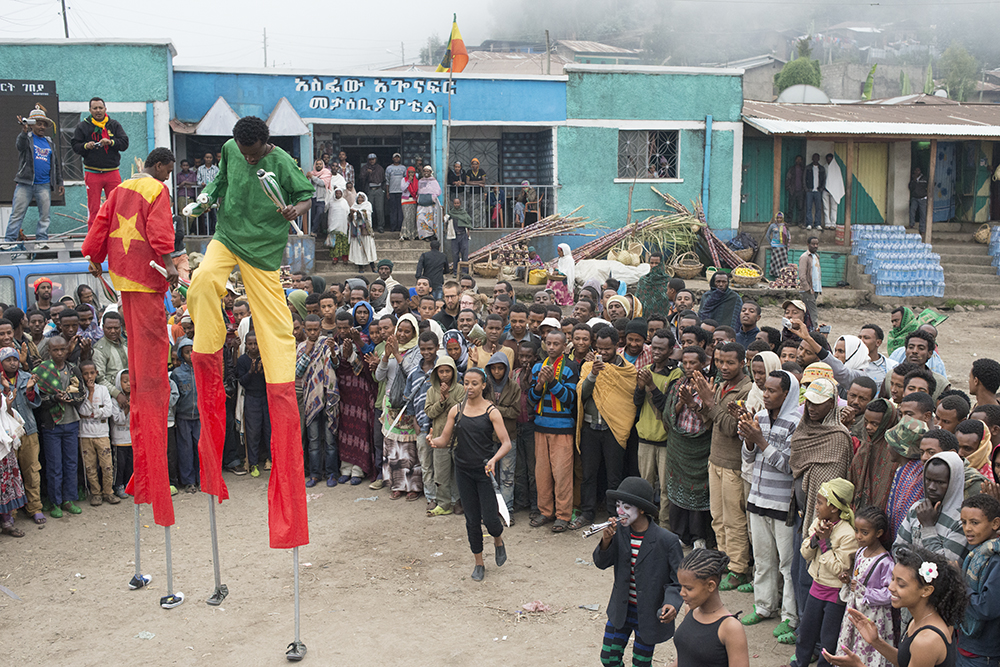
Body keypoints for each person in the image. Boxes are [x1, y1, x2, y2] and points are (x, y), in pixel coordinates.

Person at [183, 116, 312, 548]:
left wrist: (297, 210)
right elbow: (218, 183)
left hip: (262, 249)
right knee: (201, 284)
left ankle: (281, 373)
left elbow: (306, 195)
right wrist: (203, 200)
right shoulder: (229, 151)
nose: (249, 158)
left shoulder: (283, 162)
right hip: (226, 235)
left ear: (266, 146)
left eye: (254, 153)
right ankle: (209, 344)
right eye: (244, 152)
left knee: (274, 321)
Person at [82, 147, 180, 525]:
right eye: (168, 171)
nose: (168, 177)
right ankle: (153, 444)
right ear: (158, 166)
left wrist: (93, 256)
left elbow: (100, 222)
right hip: (147, 276)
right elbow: (159, 230)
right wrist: (169, 265)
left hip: (123, 276)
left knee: (138, 354)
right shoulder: (156, 189)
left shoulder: (121, 187)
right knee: (153, 363)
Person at [429, 367, 511, 581]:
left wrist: (494, 460)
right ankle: (479, 562)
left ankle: (498, 539)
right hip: (463, 470)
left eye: (475, 383)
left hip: (485, 471)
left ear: (484, 385)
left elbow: (506, 443)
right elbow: (444, 439)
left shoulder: (492, 411)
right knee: (472, 519)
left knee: (491, 520)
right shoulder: (456, 410)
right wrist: (434, 442)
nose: (470, 387)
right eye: (466, 383)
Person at [593, 476, 684, 667]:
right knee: (608, 657)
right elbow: (601, 563)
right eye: (618, 505)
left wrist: (671, 603)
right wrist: (606, 541)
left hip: (649, 613)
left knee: (641, 663)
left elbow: (678, 580)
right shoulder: (618, 533)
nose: (619, 511)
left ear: (642, 510)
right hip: (621, 609)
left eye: (626, 507)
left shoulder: (667, 541)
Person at [823, 545, 963, 667]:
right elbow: (906, 660)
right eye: (892, 579)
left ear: (926, 591)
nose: (891, 587)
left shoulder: (926, 640)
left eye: (901, 584)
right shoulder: (920, 619)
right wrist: (876, 641)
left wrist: (858, 665)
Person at [738, 370, 800, 636]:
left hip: (783, 504)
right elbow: (748, 458)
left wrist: (760, 441)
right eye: (765, 389)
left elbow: (789, 466)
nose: (766, 394)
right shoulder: (760, 417)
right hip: (758, 498)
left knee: (787, 564)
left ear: (787, 394)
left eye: (772, 391)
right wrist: (750, 442)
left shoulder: (797, 422)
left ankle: (790, 615)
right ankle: (764, 606)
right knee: (763, 559)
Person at [696, 341, 753, 590]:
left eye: (730, 362)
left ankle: (739, 568)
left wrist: (710, 402)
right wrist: (698, 403)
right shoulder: (720, 386)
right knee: (717, 517)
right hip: (715, 459)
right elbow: (711, 422)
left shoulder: (746, 390)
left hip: (733, 464)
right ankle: (724, 560)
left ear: (743, 363)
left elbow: (731, 428)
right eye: (720, 361)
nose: (723, 366)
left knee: (734, 519)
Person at [573, 327, 638, 530]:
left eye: (607, 349)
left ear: (617, 346)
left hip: (614, 429)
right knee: (589, 474)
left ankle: (614, 515)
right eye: (599, 348)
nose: (602, 352)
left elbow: (629, 402)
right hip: (590, 428)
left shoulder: (627, 371)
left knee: (614, 476)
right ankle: (587, 513)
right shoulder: (588, 366)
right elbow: (582, 395)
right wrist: (593, 374)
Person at [792, 478, 859, 667]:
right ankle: (800, 663)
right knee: (806, 631)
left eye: (820, 503)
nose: (816, 507)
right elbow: (805, 552)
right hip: (816, 587)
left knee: (828, 638)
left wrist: (825, 543)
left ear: (834, 508)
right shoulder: (818, 522)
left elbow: (840, 569)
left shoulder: (847, 534)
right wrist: (815, 538)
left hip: (834, 593)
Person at [530, 330, 580, 533]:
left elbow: (569, 399)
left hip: (562, 429)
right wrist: (540, 384)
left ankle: (563, 515)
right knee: (542, 473)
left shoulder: (571, 367)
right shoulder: (537, 367)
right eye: (548, 343)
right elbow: (531, 400)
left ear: (565, 345)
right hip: (541, 426)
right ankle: (545, 511)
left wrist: (551, 382)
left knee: (562, 474)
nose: (551, 347)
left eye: (556, 344)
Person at [836, 505, 896, 667]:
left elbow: (890, 594)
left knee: (868, 648)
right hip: (856, 610)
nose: (858, 536)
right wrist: (848, 581)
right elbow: (857, 578)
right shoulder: (860, 552)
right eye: (857, 530)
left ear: (878, 533)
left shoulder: (885, 562)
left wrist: (865, 591)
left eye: (864, 532)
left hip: (873, 616)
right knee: (852, 643)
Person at [672, 549, 751, 667]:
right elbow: (684, 656)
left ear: (710, 586)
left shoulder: (730, 628)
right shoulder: (690, 611)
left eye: (688, 588)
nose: (682, 593)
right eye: (681, 586)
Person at [35, 336, 86, 517]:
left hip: (71, 422)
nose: (59, 353)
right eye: (55, 350)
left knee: (71, 463)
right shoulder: (42, 371)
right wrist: (53, 398)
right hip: (51, 425)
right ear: (49, 352)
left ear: (67, 350)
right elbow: (37, 399)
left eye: (62, 349)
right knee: (54, 464)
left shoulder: (73, 369)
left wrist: (69, 399)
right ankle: (55, 502)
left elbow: (82, 393)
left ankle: (68, 499)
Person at [895, 451, 969, 564]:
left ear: (954, 482)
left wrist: (928, 526)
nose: (931, 487)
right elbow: (898, 549)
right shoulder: (917, 508)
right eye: (928, 480)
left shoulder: (962, 520)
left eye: (940, 482)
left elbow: (945, 567)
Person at [7, 105, 63, 248]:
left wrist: (59, 182)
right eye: (39, 123)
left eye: (44, 124)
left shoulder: (50, 142)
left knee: (45, 215)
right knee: (17, 214)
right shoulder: (27, 138)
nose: (42, 126)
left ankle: (41, 241)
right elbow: (20, 146)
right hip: (25, 183)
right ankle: (9, 241)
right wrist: (24, 131)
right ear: (32, 125)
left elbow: (56, 163)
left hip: (44, 184)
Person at [72, 97, 130, 226]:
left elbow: (125, 143)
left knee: (116, 206)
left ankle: (115, 236)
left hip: (112, 172)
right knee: (93, 209)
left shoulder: (114, 125)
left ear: (105, 109)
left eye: (100, 108)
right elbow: (75, 146)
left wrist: (111, 142)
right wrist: (86, 146)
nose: (98, 111)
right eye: (95, 108)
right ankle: (93, 241)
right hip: (92, 173)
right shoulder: (83, 126)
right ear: (90, 110)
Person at [957, 494, 1000, 666]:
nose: (967, 528)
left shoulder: (995, 560)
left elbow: (986, 607)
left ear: (995, 524)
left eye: (974, 523)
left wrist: (960, 581)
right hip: (967, 646)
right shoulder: (977, 553)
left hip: (983, 654)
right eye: (964, 522)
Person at [3, 346, 43, 524]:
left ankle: (35, 507)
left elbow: (35, 404)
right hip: (7, 435)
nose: (12, 363)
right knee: (10, 474)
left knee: (32, 469)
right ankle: (10, 513)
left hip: (28, 430)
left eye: (15, 359)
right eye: (8, 360)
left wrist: (30, 390)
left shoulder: (27, 377)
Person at [424, 354, 465, 516]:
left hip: (459, 439)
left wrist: (448, 397)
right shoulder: (431, 391)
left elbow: (462, 412)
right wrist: (441, 401)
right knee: (441, 474)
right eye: (441, 372)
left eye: (448, 371)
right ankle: (443, 504)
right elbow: (429, 412)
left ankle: (460, 502)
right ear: (436, 373)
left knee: (460, 474)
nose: (445, 375)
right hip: (439, 439)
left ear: (454, 372)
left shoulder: (461, 390)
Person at [77, 359, 116, 506]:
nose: (89, 376)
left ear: (97, 373)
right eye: (85, 374)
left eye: (92, 373)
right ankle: (95, 493)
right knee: (90, 467)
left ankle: (108, 492)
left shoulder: (103, 390)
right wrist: (91, 393)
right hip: (85, 435)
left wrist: (94, 412)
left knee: (107, 465)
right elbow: (82, 411)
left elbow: (108, 411)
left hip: (102, 434)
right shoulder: (81, 391)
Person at [850, 398, 901, 511]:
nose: (868, 427)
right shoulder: (866, 445)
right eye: (866, 422)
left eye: (875, 424)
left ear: (887, 423)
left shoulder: (893, 452)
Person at [486, 351, 520, 517]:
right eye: (494, 368)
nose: (497, 372)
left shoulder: (513, 386)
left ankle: (507, 509)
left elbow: (515, 412)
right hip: (488, 436)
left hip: (508, 435)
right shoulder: (485, 385)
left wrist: (494, 409)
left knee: (507, 475)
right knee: (490, 474)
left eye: (500, 368)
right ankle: (491, 509)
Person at [348, 192, 378, 273]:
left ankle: (372, 265)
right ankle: (360, 266)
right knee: (358, 248)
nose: (360, 199)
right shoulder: (354, 206)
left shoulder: (367, 205)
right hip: (356, 230)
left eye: (362, 198)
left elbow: (366, 214)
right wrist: (352, 213)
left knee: (368, 247)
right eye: (359, 198)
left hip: (365, 230)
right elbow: (350, 217)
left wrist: (358, 212)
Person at [799, 236, 823, 329]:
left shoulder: (816, 256)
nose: (815, 246)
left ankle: (806, 328)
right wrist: (808, 288)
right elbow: (802, 275)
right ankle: (814, 330)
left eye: (817, 244)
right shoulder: (805, 257)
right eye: (813, 244)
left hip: (815, 289)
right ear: (808, 244)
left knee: (807, 311)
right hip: (807, 290)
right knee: (813, 312)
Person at [324, 184, 350, 265]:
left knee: (344, 243)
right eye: (337, 193)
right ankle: (335, 258)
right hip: (333, 225)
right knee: (334, 243)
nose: (338, 195)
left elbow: (348, 213)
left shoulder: (344, 202)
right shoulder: (331, 202)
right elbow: (325, 210)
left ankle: (345, 258)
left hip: (343, 225)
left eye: (339, 193)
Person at [359, 153, 385, 233]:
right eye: (370, 159)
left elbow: (384, 179)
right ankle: (369, 225)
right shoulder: (365, 168)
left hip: (378, 189)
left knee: (379, 209)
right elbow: (360, 178)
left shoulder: (380, 168)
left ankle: (380, 226)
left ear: (376, 159)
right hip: (369, 190)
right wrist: (367, 173)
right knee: (369, 209)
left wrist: (383, 190)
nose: (372, 161)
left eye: (373, 159)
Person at [416, 166, 441, 240]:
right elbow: (418, 190)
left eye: (427, 171)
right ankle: (424, 235)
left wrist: (432, 197)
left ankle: (430, 235)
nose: (426, 173)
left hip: (430, 204)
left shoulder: (434, 181)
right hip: (422, 204)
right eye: (425, 171)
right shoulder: (420, 181)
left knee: (430, 221)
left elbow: (438, 191)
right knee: (420, 219)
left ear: (430, 172)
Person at [385, 153, 406, 234]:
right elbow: (387, 181)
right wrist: (387, 192)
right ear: (392, 159)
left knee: (400, 210)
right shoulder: (389, 168)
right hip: (392, 192)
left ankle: (400, 226)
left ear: (400, 159)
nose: (396, 159)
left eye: (398, 157)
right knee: (393, 210)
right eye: (395, 157)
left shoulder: (403, 168)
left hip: (401, 192)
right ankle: (393, 226)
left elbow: (406, 180)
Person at [805, 153, 827, 230]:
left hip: (818, 191)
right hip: (810, 191)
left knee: (818, 208)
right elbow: (804, 179)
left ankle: (817, 223)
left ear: (819, 159)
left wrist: (821, 188)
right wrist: (806, 188)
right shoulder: (808, 168)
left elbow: (824, 179)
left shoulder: (821, 169)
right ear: (812, 158)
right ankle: (809, 223)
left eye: (817, 158)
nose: (815, 159)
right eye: (814, 157)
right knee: (809, 207)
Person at [823, 153, 845, 230]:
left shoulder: (836, 168)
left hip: (834, 190)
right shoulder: (824, 167)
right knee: (826, 207)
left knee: (834, 208)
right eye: (828, 159)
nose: (829, 161)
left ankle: (833, 223)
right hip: (825, 190)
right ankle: (827, 223)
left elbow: (838, 180)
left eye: (830, 159)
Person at [447, 198, 472, 266]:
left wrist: (468, 233)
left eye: (458, 203)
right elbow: (446, 221)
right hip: (454, 236)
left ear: (460, 204)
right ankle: (456, 272)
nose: (456, 204)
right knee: (455, 254)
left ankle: (464, 272)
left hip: (463, 235)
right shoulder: (451, 213)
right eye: (455, 203)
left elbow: (468, 222)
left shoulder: (463, 213)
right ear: (453, 204)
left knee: (464, 254)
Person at [465, 158, 487, 228]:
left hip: (480, 193)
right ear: (471, 165)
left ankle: (482, 225)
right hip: (472, 193)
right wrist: (478, 183)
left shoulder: (481, 171)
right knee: (473, 209)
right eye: (473, 164)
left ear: (478, 164)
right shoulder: (469, 172)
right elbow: (468, 182)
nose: (474, 165)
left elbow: (483, 181)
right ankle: (473, 225)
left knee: (481, 209)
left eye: (476, 164)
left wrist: (473, 183)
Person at [786, 155, 807, 226]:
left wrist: (804, 189)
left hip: (801, 191)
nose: (798, 161)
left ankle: (800, 222)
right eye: (797, 159)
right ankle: (789, 221)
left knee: (800, 207)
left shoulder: (803, 169)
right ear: (795, 160)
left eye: (800, 160)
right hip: (793, 190)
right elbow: (788, 178)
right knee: (791, 207)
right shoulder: (792, 169)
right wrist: (788, 187)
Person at [400, 166, 419, 241]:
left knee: (412, 217)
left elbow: (417, 190)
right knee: (406, 217)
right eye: (410, 172)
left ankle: (413, 234)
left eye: (412, 172)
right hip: (405, 200)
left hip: (413, 200)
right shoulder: (404, 180)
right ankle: (404, 234)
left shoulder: (416, 181)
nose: (411, 174)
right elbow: (403, 188)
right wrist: (408, 181)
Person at [909, 167, 929, 233]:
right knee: (912, 210)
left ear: (920, 171)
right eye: (916, 170)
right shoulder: (913, 179)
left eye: (918, 170)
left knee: (923, 213)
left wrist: (926, 194)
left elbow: (930, 185)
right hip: (915, 198)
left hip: (923, 198)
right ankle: (911, 224)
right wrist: (914, 180)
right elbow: (910, 187)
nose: (917, 172)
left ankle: (922, 229)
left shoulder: (925, 179)